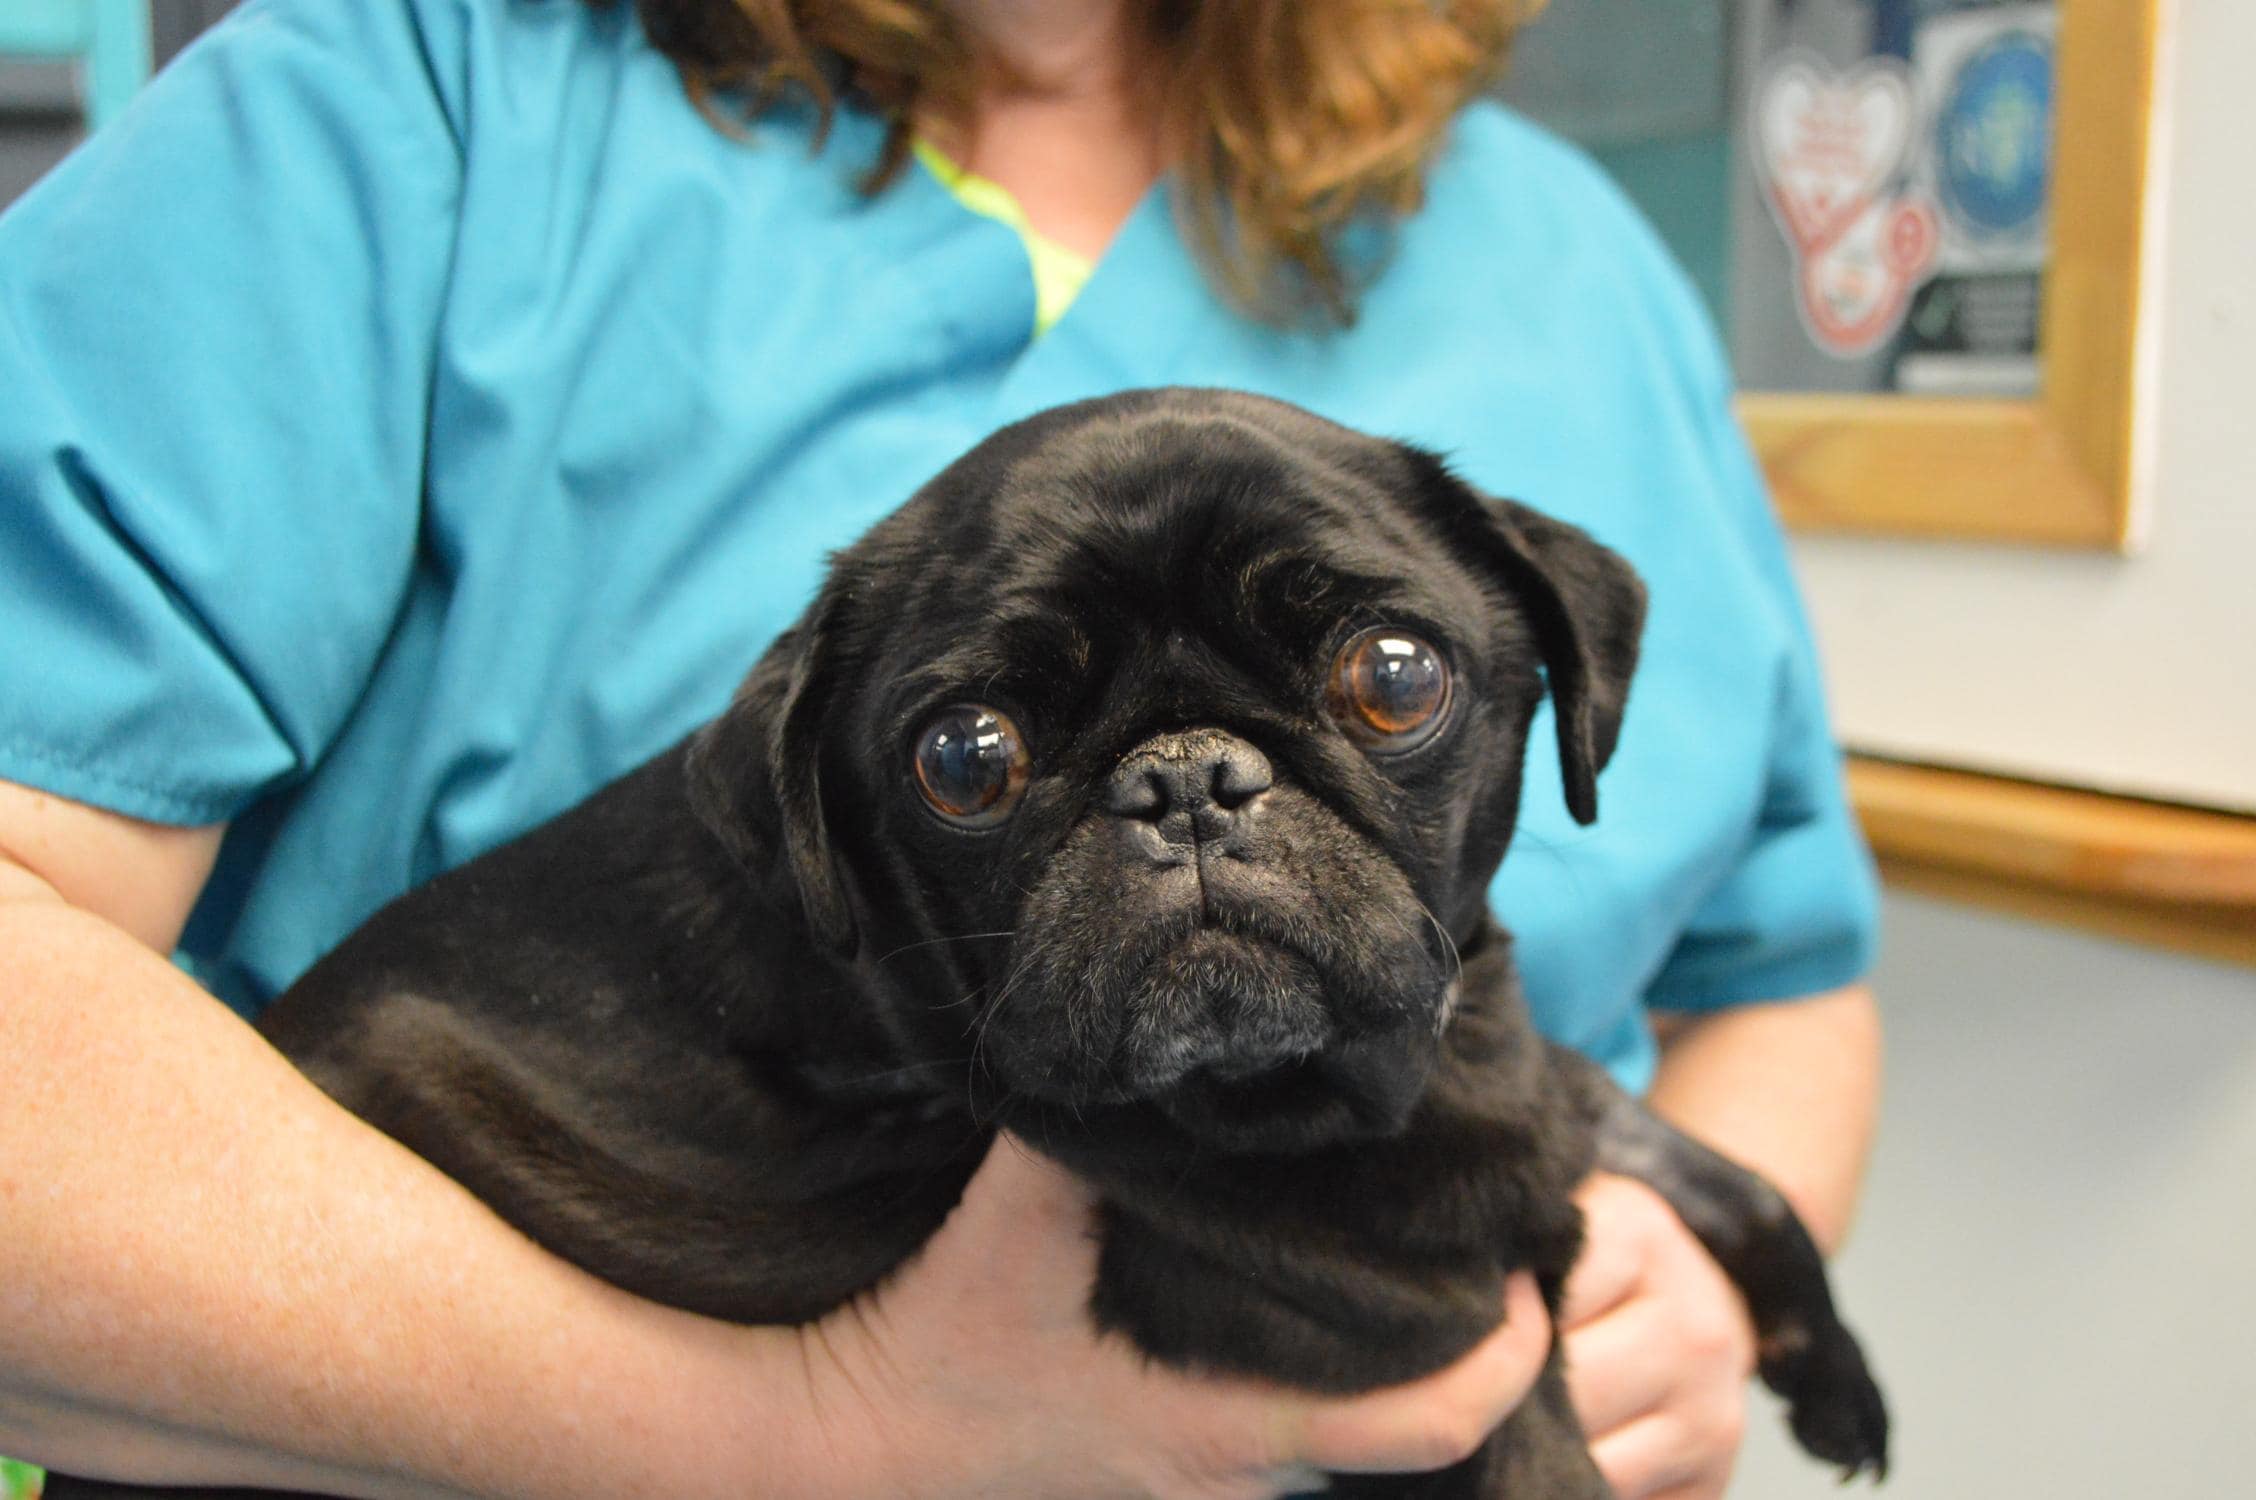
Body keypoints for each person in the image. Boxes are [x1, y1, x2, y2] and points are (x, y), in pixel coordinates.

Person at [0, 1, 1884, 1496]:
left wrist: (1699, 1278)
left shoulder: (1572, 256)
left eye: (1386, 688)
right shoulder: (404, 104)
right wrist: (810, 1435)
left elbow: (1781, 980)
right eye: (978, 758)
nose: (1199, 803)